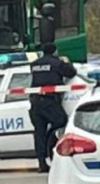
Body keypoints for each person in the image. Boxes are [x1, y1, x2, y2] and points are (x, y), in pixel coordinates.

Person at [29, 42, 78, 173]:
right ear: (55, 51)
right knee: (61, 121)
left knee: (39, 131)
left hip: (35, 101)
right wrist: (66, 62)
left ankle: (41, 163)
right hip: (49, 101)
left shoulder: (34, 64)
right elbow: (71, 73)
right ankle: (50, 142)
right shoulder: (56, 63)